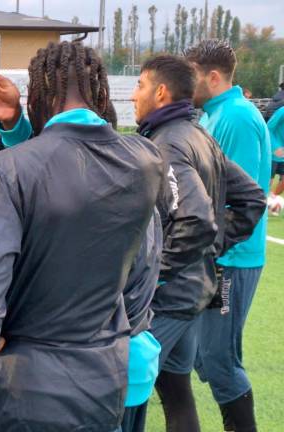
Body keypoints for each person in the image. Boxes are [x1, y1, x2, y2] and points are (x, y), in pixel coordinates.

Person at [0, 41, 162, 431]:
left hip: (21, 393)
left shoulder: (5, 172)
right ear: (102, 94)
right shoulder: (144, 164)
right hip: (105, 385)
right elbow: (143, 272)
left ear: (37, 97)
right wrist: (16, 126)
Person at [130, 54, 265, 432]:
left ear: (160, 92)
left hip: (172, 298)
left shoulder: (171, 143)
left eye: (139, 86)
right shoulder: (197, 134)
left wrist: (159, 272)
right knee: (174, 389)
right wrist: (211, 249)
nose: (133, 96)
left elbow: (196, 219)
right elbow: (251, 199)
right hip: (193, 293)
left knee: (120, 383)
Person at [186, 39, 272, 432]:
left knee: (219, 361)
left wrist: (214, 251)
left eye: (192, 76)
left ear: (213, 77)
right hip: (213, 257)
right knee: (202, 358)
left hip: (231, 261)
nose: (187, 85)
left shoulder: (235, 117)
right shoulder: (211, 115)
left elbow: (242, 200)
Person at [267, 106, 284, 205]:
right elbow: (268, 128)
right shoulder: (282, 111)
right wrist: (275, 147)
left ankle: (272, 201)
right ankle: (261, 202)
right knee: (269, 180)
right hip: (274, 153)